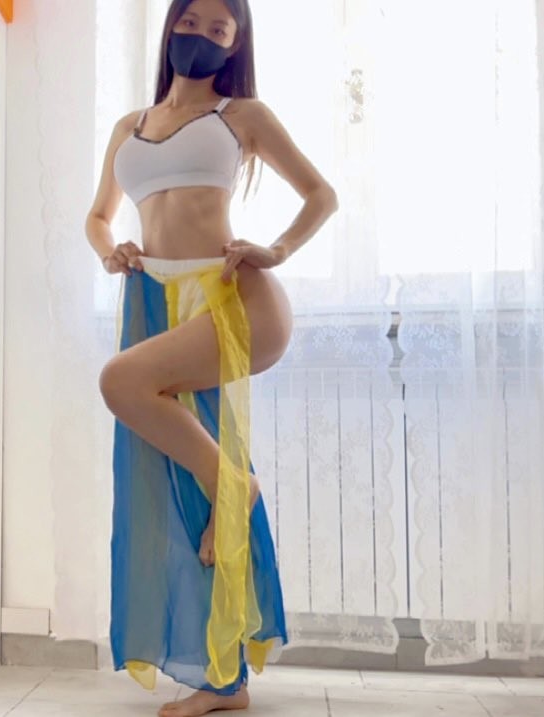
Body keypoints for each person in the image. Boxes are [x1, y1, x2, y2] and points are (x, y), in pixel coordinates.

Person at [87, 0, 338, 714]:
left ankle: (235, 486)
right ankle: (224, 680)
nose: (200, 35)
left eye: (219, 29)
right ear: (171, 27)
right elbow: (98, 215)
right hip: (157, 301)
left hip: (232, 298)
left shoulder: (241, 116)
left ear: (234, 45)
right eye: (190, 21)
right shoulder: (128, 127)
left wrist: (276, 249)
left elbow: (321, 195)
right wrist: (111, 250)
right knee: (174, 484)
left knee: (121, 383)